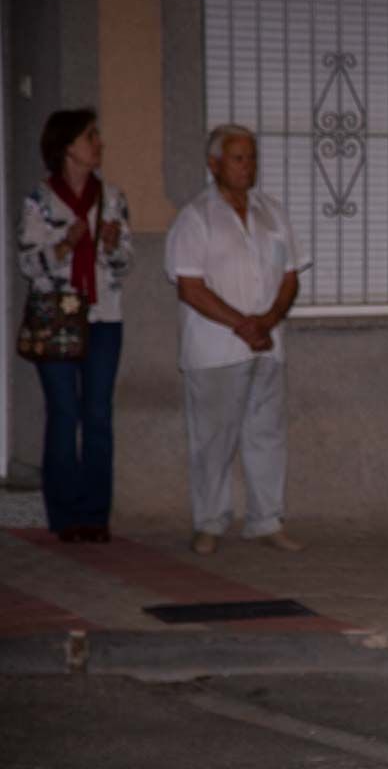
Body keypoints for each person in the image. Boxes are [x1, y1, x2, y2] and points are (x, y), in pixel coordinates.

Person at [164, 124, 310, 555]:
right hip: (215, 351)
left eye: (252, 157)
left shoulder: (272, 212)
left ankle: (266, 520)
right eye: (239, 158)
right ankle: (209, 522)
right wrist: (243, 324)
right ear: (214, 164)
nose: (248, 166)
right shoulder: (196, 216)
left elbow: (290, 277)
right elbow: (189, 286)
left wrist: (266, 320)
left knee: (266, 435)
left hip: (267, 346)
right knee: (213, 439)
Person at [18, 108, 133, 543]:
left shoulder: (113, 197)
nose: (98, 143)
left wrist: (110, 246)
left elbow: (125, 264)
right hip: (57, 320)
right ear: (68, 147)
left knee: (98, 415)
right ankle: (65, 515)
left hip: (103, 317)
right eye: (90, 137)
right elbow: (29, 263)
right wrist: (66, 243)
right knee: (65, 414)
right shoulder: (40, 201)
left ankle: (95, 515)